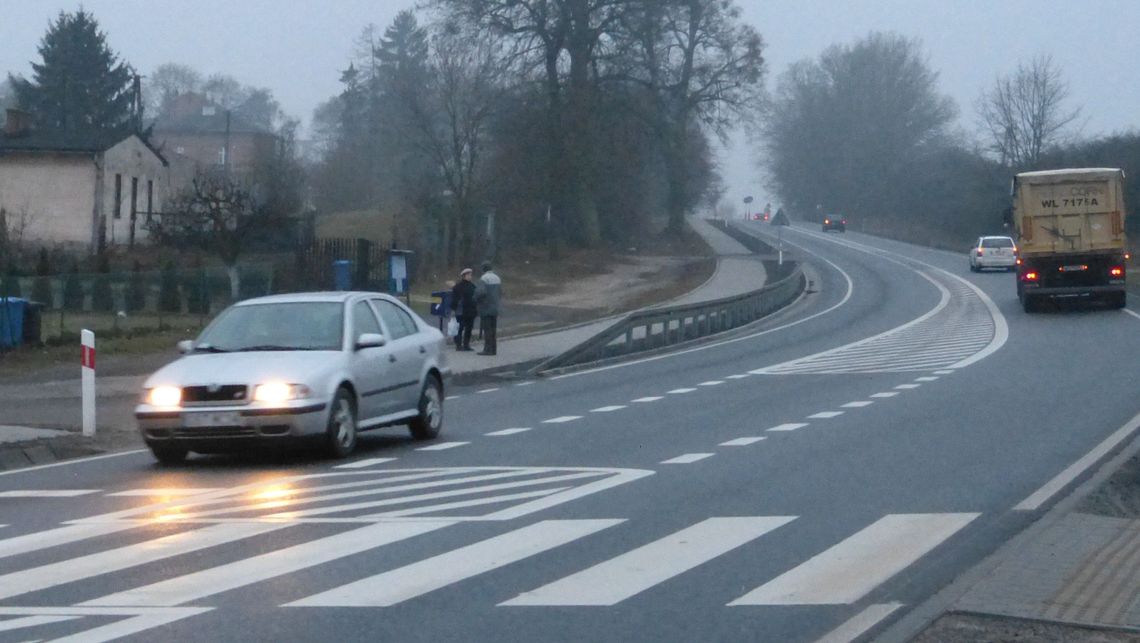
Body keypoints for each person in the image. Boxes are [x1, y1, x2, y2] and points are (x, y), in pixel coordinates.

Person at [473, 261, 501, 355]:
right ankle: (494, 349)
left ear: (483, 269)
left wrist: (474, 298)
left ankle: (487, 349)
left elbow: (481, 292)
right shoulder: (497, 278)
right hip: (495, 307)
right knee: (493, 330)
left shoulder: (484, 279)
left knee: (487, 330)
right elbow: (500, 293)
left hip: (486, 307)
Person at [450, 268, 477, 351]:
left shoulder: (473, 286)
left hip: (470, 310)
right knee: (460, 328)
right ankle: (458, 344)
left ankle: (466, 344)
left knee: (469, 328)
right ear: (464, 276)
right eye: (468, 275)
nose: (470, 276)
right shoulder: (458, 287)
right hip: (461, 311)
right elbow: (455, 299)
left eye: (470, 275)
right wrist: (453, 309)